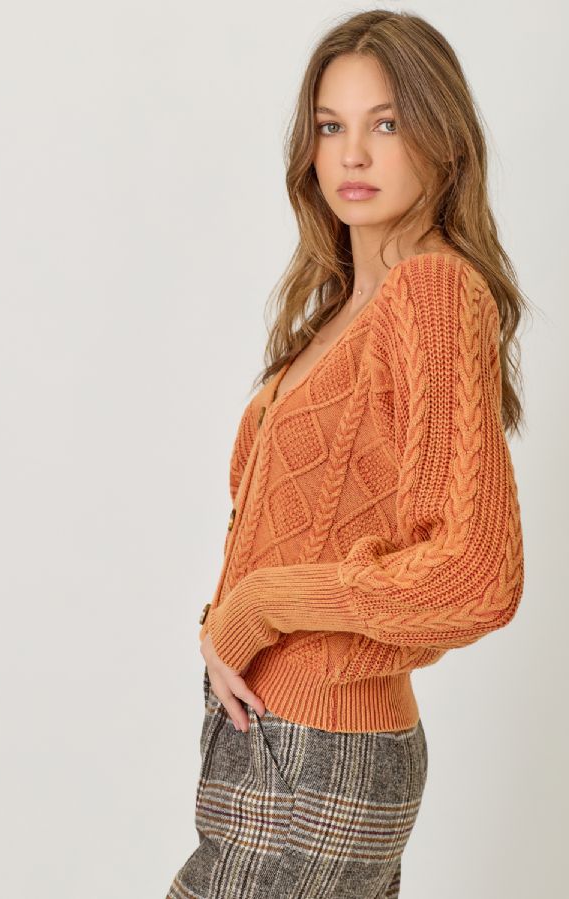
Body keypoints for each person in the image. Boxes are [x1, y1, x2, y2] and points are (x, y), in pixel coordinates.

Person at [166, 9, 527, 898]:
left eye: (386, 123)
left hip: (316, 756)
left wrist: (260, 606)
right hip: (276, 745)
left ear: (444, 140)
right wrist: (225, 629)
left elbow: (476, 571)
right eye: (331, 127)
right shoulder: (338, 313)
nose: (353, 154)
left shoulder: (432, 293)